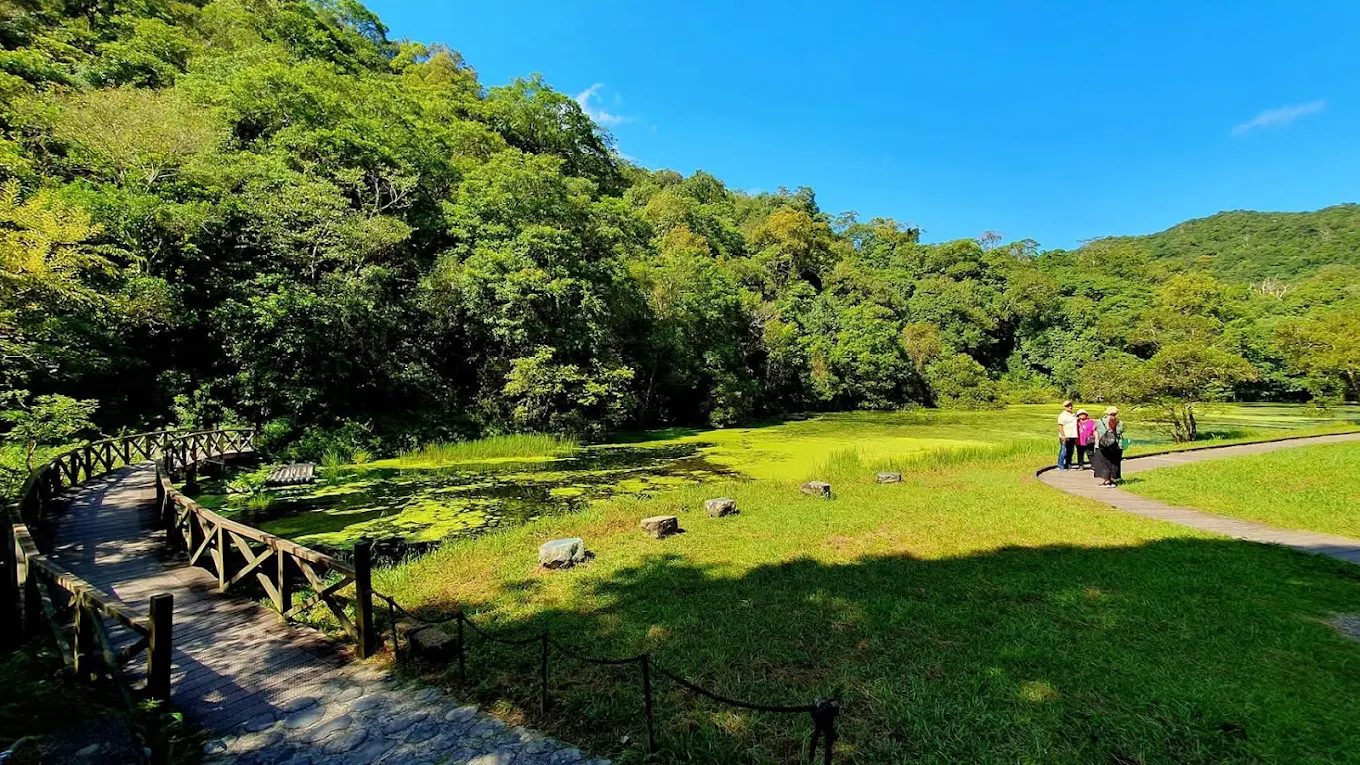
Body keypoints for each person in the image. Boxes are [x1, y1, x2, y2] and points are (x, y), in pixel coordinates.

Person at [1092, 406, 1126, 487]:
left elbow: (1095, 431)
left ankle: (1106, 480)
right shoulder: (1120, 423)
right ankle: (1113, 479)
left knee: (1103, 463)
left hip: (1103, 445)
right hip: (1116, 446)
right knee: (1114, 463)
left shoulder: (1099, 421)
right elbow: (1121, 432)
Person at [1056, 400, 1078, 470]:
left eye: (1071, 405)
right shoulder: (1062, 415)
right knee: (1063, 451)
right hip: (1065, 435)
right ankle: (1060, 465)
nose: (1070, 407)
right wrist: (1063, 435)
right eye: (1068, 406)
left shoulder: (1073, 415)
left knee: (1070, 451)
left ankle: (1068, 465)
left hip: (1073, 435)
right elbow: (1060, 426)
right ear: (1064, 407)